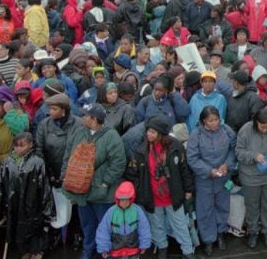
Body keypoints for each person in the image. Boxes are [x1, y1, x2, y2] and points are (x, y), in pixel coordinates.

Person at [61, 103, 127, 259]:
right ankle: (88, 251)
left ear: (94, 119)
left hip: (102, 193)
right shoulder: (79, 132)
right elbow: (68, 155)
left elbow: (118, 162)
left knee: (104, 226)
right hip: (81, 191)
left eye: (85, 115)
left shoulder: (111, 136)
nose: (82, 117)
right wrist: (65, 175)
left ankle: (105, 253)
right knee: (87, 226)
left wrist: (105, 182)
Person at [125, 114, 195, 259]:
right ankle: (162, 247)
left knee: (180, 225)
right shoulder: (141, 150)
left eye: (152, 132)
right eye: (148, 131)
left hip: (173, 195)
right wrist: (140, 190)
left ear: (161, 134)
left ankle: (187, 251)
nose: (148, 134)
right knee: (157, 225)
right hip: (152, 196)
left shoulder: (176, 146)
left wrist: (188, 189)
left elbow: (184, 169)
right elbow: (132, 173)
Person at [234, 107, 267, 249]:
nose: (264, 130)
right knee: (251, 204)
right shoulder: (246, 130)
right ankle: (252, 231)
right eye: (261, 127)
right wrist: (254, 156)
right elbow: (239, 152)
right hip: (250, 176)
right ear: (255, 122)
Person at [0, 131, 54, 259]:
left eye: (22, 145)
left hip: (33, 204)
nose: (18, 148)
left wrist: (47, 209)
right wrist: (0, 206)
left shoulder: (37, 162)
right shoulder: (8, 162)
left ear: (31, 144)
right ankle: (24, 252)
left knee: (34, 230)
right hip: (13, 203)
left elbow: (44, 187)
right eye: (16, 145)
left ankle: (36, 252)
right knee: (17, 231)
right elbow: (1, 184)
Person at [187, 105, 236, 255]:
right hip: (204, 178)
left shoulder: (227, 130)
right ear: (203, 121)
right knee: (204, 208)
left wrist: (226, 165)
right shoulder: (196, 134)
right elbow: (192, 158)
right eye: (210, 121)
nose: (215, 123)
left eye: (216, 120)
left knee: (223, 205)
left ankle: (221, 232)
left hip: (223, 176)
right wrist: (209, 171)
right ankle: (208, 239)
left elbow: (233, 150)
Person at [35, 92, 80, 242]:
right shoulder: (44, 125)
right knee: (55, 207)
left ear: (64, 109)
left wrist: (67, 174)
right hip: (51, 172)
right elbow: (39, 150)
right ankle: (56, 237)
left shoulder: (78, 124)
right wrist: (49, 174)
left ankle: (75, 234)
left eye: (54, 109)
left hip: (73, 173)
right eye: (50, 108)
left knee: (75, 207)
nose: (50, 112)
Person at [95, 181, 152, 258]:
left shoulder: (137, 210)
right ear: (117, 199)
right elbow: (103, 231)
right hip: (115, 251)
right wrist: (103, 248)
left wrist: (144, 244)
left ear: (131, 199)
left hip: (133, 250)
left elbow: (144, 229)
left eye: (126, 199)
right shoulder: (111, 212)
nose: (124, 202)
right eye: (121, 199)